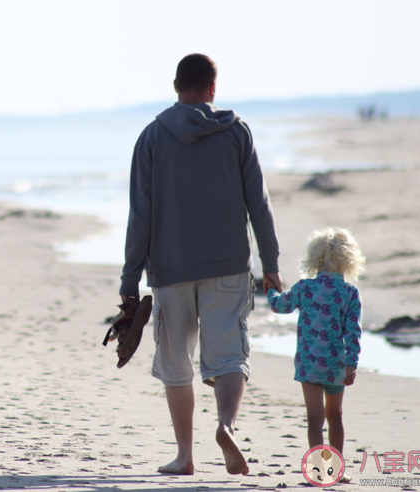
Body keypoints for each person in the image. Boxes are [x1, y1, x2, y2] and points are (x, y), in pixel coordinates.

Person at [118, 53, 282, 476]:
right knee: (228, 356)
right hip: (228, 264)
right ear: (213, 88)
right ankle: (226, 425)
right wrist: (271, 262)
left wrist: (129, 280)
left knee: (176, 362)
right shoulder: (236, 131)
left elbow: (141, 215)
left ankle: (185, 456)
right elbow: (258, 204)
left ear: (176, 86)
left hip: (170, 269)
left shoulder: (152, 136)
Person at [267, 228, 364, 483]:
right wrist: (351, 364)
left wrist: (270, 290)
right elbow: (353, 332)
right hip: (335, 365)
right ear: (348, 260)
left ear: (315, 258)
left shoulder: (305, 288)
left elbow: (280, 305)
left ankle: (320, 471)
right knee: (335, 416)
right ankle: (337, 470)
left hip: (309, 364)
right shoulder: (350, 293)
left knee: (314, 418)